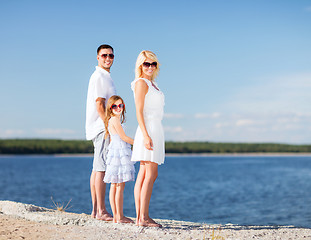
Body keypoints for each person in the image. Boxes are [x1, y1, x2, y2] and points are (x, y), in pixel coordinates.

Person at [131, 50, 165, 227]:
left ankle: (140, 217)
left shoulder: (152, 84)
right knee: (150, 174)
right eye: (146, 64)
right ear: (140, 65)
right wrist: (145, 135)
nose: (150, 67)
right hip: (148, 129)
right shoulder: (141, 83)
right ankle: (143, 217)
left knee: (145, 174)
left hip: (155, 128)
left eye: (153, 64)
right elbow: (138, 110)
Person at [85, 44, 116, 221]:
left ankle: (96, 210)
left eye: (111, 56)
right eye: (104, 55)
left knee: (97, 168)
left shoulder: (105, 77)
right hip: (101, 128)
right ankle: (101, 211)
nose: (107, 58)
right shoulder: (99, 76)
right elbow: (99, 104)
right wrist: (108, 126)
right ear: (97, 57)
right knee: (101, 168)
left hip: (100, 127)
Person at [103, 95, 135, 224]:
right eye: (114, 106)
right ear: (110, 108)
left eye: (120, 105)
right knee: (119, 185)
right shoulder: (115, 120)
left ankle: (117, 216)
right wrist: (138, 143)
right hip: (119, 153)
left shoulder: (111, 120)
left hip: (115, 152)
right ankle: (119, 216)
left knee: (114, 185)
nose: (118, 108)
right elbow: (123, 137)